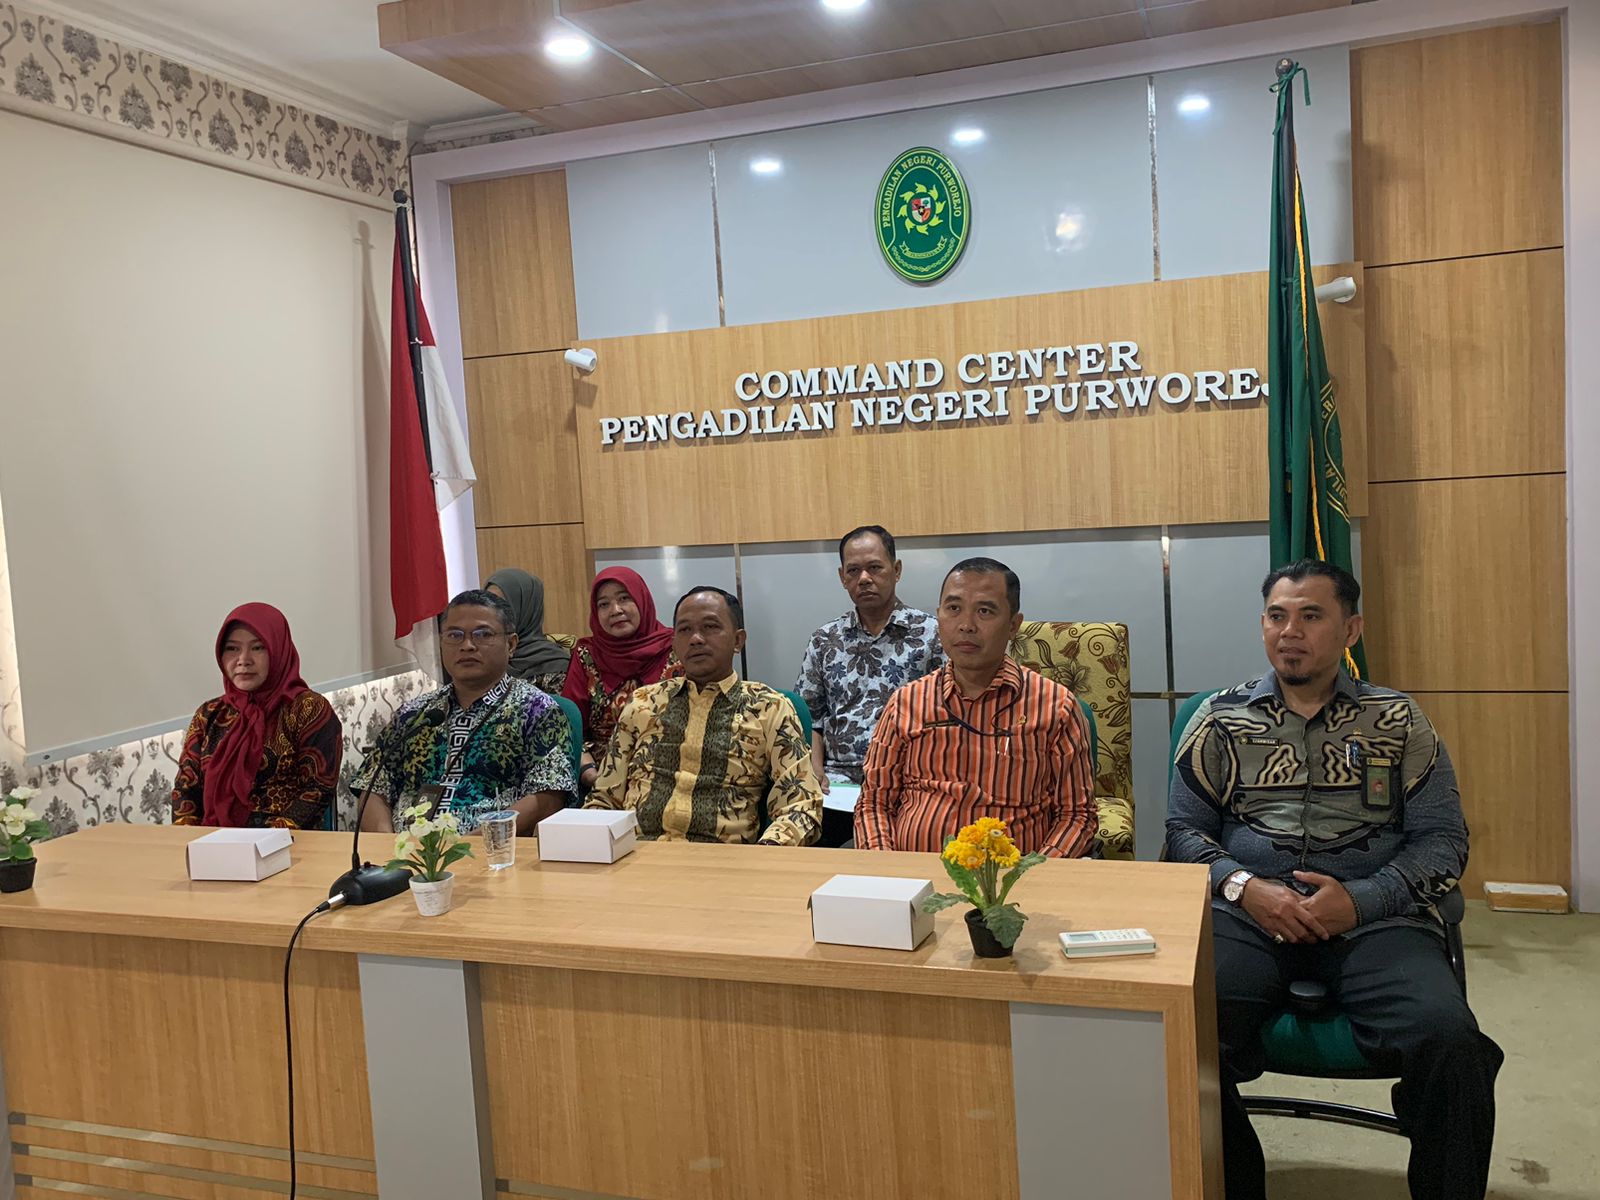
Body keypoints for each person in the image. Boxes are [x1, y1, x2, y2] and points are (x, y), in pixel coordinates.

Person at [1165, 559, 1502, 1200]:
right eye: (1277, 616)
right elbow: (1182, 833)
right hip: (1248, 917)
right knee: (1180, 1036)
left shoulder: (1398, 719)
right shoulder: (1220, 717)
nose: (1289, 632)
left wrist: (1362, 900)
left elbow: (1443, 840)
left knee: (1453, 1045)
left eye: (1311, 616)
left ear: (1351, 630)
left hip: (1376, 922)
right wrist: (1245, 887)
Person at [855, 557, 1096, 857]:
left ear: (1013, 625)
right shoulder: (906, 702)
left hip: (1009, 880)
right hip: (913, 877)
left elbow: (1077, 816)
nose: (966, 625)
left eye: (985, 611)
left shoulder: (1055, 708)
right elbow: (873, 804)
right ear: (939, 616)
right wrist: (886, 870)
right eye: (954, 608)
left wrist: (1035, 875)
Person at [586, 586, 822, 846]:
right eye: (685, 630)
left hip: (723, 861)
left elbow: (801, 806)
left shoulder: (769, 708)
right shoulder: (643, 703)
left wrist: (767, 855)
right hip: (637, 854)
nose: (696, 639)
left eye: (710, 627)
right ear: (674, 643)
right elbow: (603, 799)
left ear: (738, 640)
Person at [354, 589, 575, 835]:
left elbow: (547, 797)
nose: (467, 646)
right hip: (406, 850)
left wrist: (467, 847)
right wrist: (390, 847)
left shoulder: (537, 711)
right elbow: (372, 785)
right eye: (455, 635)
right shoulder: (415, 714)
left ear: (511, 644)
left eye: (483, 634)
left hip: (491, 850)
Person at [795, 525, 942, 789]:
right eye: (853, 570)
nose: (864, 578)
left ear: (896, 570)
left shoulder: (932, 634)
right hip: (836, 780)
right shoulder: (824, 640)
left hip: (909, 779)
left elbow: (949, 716)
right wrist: (814, 771)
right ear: (842, 577)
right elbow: (810, 718)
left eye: (874, 568)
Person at [171, 603, 341, 829]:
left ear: (278, 650)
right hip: (213, 839)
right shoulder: (209, 714)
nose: (243, 660)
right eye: (232, 649)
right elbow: (186, 787)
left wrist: (265, 841)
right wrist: (189, 837)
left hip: (289, 842)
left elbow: (316, 790)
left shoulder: (308, 710)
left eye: (258, 648)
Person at [561, 567, 681, 791]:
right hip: (601, 780)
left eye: (624, 598)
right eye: (603, 604)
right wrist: (591, 775)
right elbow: (569, 728)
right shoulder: (586, 655)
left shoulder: (676, 648)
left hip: (671, 777)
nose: (615, 610)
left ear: (642, 600)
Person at [485, 567, 571, 693]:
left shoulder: (555, 666)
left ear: (526, 609)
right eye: (488, 604)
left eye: (502, 605)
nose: (492, 613)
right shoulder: (481, 657)